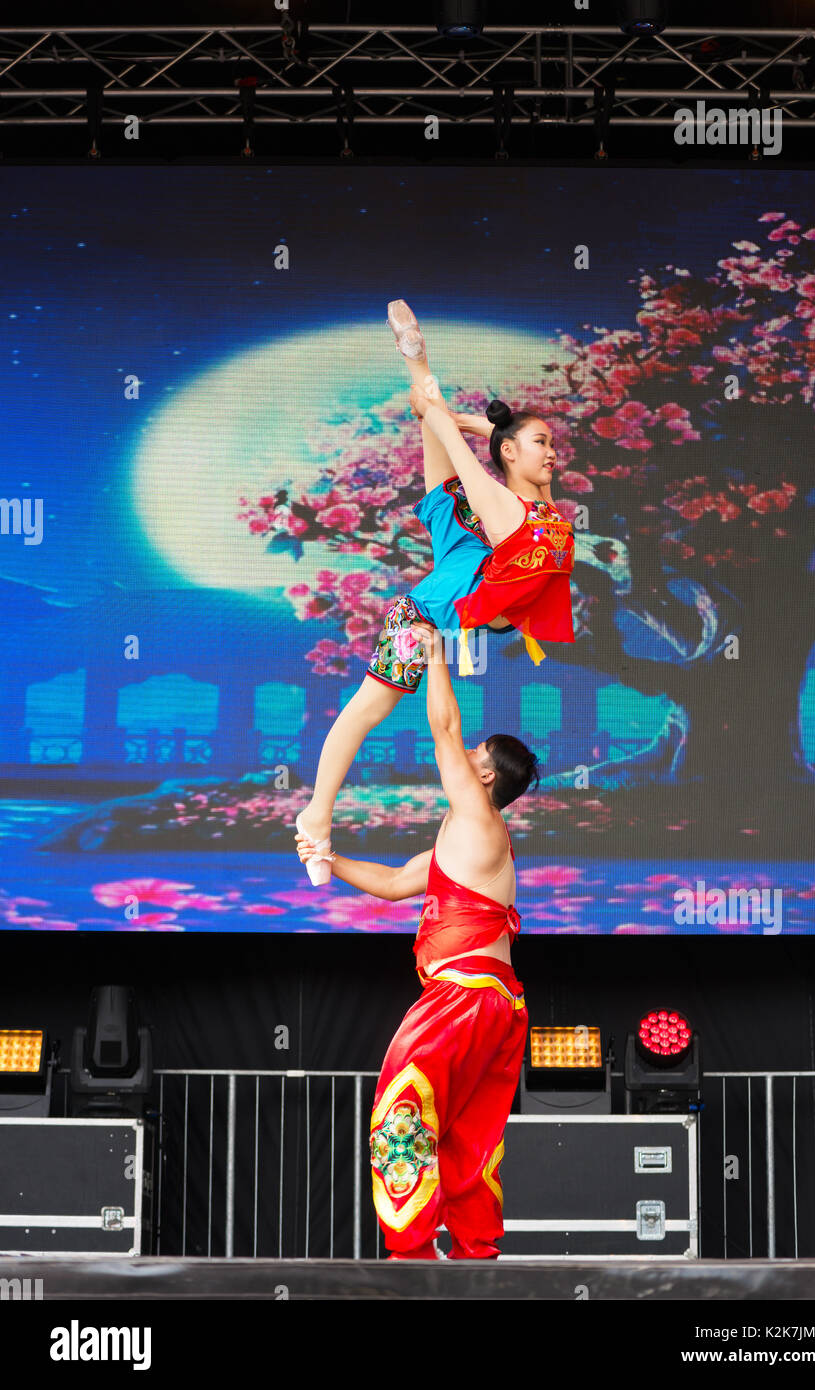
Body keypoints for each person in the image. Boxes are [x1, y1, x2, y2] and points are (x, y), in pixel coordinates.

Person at [295, 299, 575, 883]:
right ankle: (316, 821)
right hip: (435, 607)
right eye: (542, 442)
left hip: (471, 577)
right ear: (512, 454)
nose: (552, 453)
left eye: (553, 445)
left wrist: (469, 423)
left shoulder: (538, 514)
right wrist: (439, 404)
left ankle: (418, 360)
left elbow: (470, 441)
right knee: (362, 713)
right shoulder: (509, 508)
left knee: (433, 419)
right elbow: (465, 452)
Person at [295, 618, 538, 1259]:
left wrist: (434, 654)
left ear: (487, 778)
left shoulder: (479, 821)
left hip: (462, 997)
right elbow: (396, 883)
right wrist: (328, 853)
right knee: (465, 1133)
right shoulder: (460, 841)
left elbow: (444, 731)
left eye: (478, 756)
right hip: (496, 1006)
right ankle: (476, 1253)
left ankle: (409, 1253)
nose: (467, 758)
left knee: (400, 1107)